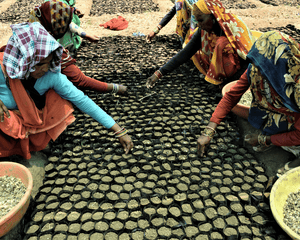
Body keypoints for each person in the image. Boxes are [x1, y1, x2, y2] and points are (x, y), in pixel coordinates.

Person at [0, 22, 133, 160]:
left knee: (57, 98)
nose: (45, 68)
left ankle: (36, 140)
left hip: (32, 120)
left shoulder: (51, 76)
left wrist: (118, 130)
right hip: (7, 124)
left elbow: (82, 100)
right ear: (24, 61)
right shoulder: (3, 70)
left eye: (49, 62)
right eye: (39, 64)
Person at [197, 30, 300, 178]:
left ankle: (293, 165)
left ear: (279, 67)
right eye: (256, 64)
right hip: (285, 118)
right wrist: (209, 130)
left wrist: (263, 140)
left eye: (263, 69)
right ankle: (274, 135)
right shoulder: (256, 69)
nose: (256, 71)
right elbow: (231, 96)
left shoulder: (295, 87)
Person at [146, 0, 255, 89]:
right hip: (228, 66)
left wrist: (234, 83)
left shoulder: (233, 27)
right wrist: (159, 73)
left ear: (213, 17)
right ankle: (216, 78)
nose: (198, 24)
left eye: (201, 20)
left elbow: (251, 60)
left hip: (243, 69)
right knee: (196, 52)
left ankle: (223, 81)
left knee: (222, 44)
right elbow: (186, 53)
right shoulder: (203, 30)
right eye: (197, 21)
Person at [28, 0, 127, 95]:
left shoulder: (34, 27)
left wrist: (73, 10)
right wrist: (116, 88)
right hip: (36, 93)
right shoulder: (52, 50)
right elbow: (81, 80)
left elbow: (60, 18)